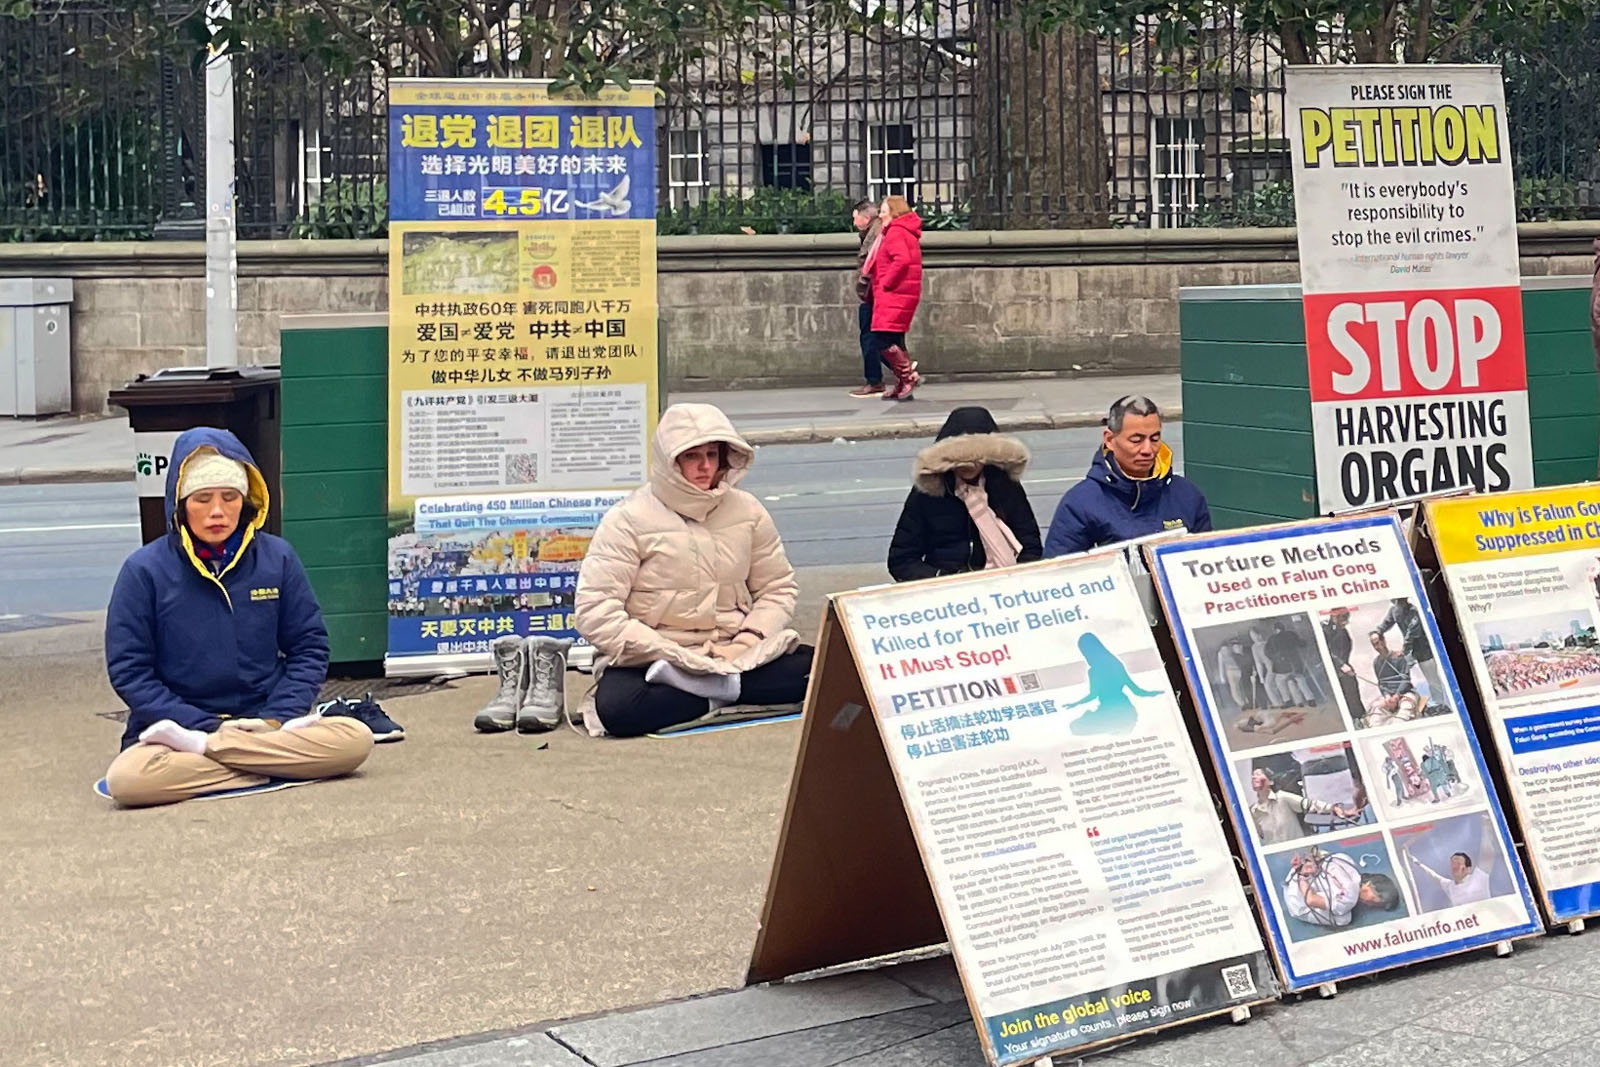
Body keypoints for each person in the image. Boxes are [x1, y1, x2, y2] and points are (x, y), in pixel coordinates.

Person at [102, 428, 377, 807]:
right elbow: (130, 672)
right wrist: (204, 728)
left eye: (229, 497)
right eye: (202, 499)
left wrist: (275, 718)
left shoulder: (278, 558)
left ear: (246, 501)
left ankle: (220, 757)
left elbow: (309, 648)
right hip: (179, 732)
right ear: (180, 505)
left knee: (355, 740)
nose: (217, 511)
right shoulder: (143, 570)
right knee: (128, 780)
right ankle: (269, 763)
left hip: (265, 724)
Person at [575, 403, 813, 737]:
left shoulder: (748, 510)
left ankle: (708, 693)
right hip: (656, 659)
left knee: (828, 672)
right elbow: (595, 610)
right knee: (619, 709)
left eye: (712, 455)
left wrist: (746, 641)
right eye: (691, 456)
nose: (705, 466)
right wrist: (666, 651)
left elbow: (777, 588)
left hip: (737, 651)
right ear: (669, 461)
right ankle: (729, 693)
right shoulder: (627, 519)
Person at [887, 406, 1041, 581]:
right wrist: (941, 578)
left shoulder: (1004, 486)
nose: (968, 466)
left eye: (976, 459)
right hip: (946, 586)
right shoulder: (927, 494)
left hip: (1001, 583)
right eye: (960, 460)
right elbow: (902, 560)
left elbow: (1030, 547)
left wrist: (1015, 579)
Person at [1044, 395, 1211, 556]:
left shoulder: (1187, 495)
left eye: (1154, 439)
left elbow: (1207, 558)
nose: (1147, 450)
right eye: (1136, 440)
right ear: (1109, 440)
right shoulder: (1079, 504)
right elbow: (1059, 569)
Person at [864, 195, 923, 401]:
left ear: (894, 212)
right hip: (900, 293)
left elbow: (902, 260)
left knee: (881, 339)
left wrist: (886, 283)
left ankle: (907, 378)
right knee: (894, 339)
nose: (880, 216)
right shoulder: (903, 231)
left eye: (883, 212)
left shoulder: (896, 232)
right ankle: (902, 382)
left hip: (894, 294)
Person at [1065, 633, 1162, 736]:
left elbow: (1093, 695)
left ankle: (1116, 727)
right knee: (1076, 727)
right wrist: (1153, 693)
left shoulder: (1094, 671)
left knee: (1076, 727)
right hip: (1124, 712)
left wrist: (1076, 704)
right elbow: (1137, 691)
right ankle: (1117, 728)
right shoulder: (1115, 664)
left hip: (1117, 713)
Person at [1284, 848, 1402, 928]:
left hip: (1294, 873)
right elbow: (1311, 900)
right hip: (1296, 901)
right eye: (1375, 902)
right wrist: (1302, 876)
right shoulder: (1349, 900)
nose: (1370, 906)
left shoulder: (1346, 859)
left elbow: (1320, 854)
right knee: (1343, 919)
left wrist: (1304, 864)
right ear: (1370, 886)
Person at [849, 198, 888, 397]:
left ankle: (876, 380)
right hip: (874, 293)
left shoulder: (877, 235)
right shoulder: (871, 233)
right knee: (879, 338)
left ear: (865, 218)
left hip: (874, 294)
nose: (854, 222)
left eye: (855, 217)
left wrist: (863, 286)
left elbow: (873, 265)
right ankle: (905, 370)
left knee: (871, 338)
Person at [1249, 767, 1348, 845]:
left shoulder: (1282, 798)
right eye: (1253, 775)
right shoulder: (1253, 811)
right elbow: (1260, 836)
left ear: (1270, 781)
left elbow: (1310, 804)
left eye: (1258, 774)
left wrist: (1332, 808)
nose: (1254, 777)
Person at [1372, 598, 1444, 701]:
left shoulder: (1414, 612)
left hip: (1424, 651)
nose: (1399, 603)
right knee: (1401, 675)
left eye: (1401, 601)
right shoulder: (1394, 611)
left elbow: (1413, 633)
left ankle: (1439, 702)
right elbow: (1386, 623)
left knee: (1433, 680)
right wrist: (1377, 632)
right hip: (1409, 652)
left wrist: (1404, 650)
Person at [1368, 633, 1423, 727]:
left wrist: (1397, 695)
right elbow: (1381, 683)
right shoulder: (1376, 662)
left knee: (1405, 711)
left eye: (1378, 643)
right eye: (1374, 645)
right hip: (1389, 697)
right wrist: (1387, 696)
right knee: (1375, 715)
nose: (1377, 647)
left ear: (1383, 641)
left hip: (1405, 693)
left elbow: (1406, 680)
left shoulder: (1399, 657)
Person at [1323, 607, 1364, 721]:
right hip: (1335, 670)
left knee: (1353, 695)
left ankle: (1360, 718)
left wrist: (1345, 665)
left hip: (1345, 668)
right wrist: (1341, 665)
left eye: (1346, 617)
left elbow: (1346, 649)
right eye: (1343, 617)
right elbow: (1326, 651)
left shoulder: (1343, 631)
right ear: (1334, 616)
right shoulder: (1325, 630)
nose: (1345, 621)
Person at [1265, 620, 1316, 707]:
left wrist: (1275, 658)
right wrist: (1305, 641)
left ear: (1276, 630)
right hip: (1295, 665)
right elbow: (1301, 644)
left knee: (1280, 682)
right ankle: (1310, 699)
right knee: (1300, 680)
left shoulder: (1272, 639)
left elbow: (1267, 652)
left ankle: (1287, 700)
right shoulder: (1291, 634)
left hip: (1282, 667)